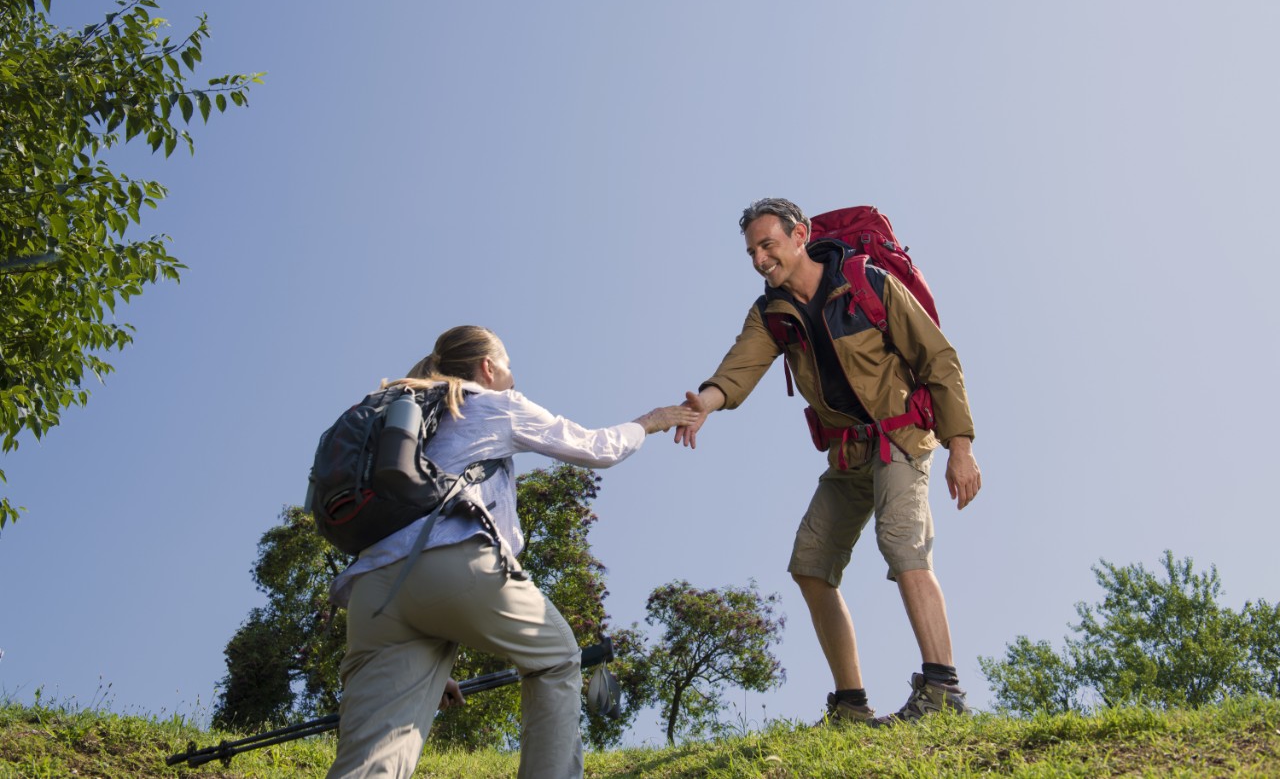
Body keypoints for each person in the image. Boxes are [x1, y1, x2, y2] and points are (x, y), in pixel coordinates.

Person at [326, 325, 695, 778]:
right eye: (508, 366)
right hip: (449, 562)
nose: (512, 377)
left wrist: (424, 665)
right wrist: (651, 421)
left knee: (374, 758)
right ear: (488, 367)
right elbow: (597, 448)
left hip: (372, 591)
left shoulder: (414, 417)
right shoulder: (493, 404)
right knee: (558, 658)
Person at [675, 198, 982, 726]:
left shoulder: (866, 283)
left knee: (902, 544)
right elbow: (739, 367)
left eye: (768, 245)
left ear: (800, 235)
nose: (759, 260)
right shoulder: (771, 313)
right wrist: (705, 401)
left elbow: (939, 359)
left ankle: (942, 690)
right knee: (811, 565)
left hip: (901, 436)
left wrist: (961, 446)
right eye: (751, 251)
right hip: (848, 451)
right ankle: (851, 706)